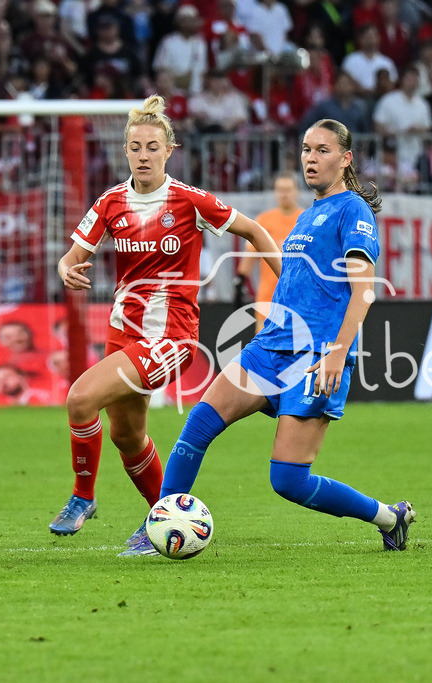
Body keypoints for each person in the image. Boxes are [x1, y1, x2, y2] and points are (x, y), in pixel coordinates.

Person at [119, 118, 416, 557]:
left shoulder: (352, 210)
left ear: (346, 158)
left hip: (315, 357)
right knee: (199, 423)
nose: (311, 159)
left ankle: (390, 517)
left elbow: (363, 292)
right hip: (270, 347)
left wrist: (337, 353)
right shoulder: (307, 214)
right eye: (306, 150)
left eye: (322, 151)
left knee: (288, 480)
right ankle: (156, 525)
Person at [48, 95, 281, 537]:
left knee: (79, 399)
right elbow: (72, 256)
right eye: (135, 147)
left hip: (171, 338)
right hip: (123, 333)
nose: (143, 156)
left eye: (152, 147)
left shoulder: (190, 201)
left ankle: (83, 497)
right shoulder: (112, 202)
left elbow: (253, 229)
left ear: (168, 151)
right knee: (127, 437)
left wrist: (288, 285)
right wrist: (66, 268)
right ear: (125, 152)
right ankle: (167, 516)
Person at [234, 172, 303, 331]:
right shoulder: (264, 220)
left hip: (299, 298)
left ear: (296, 191)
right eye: (280, 190)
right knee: (264, 350)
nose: (284, 194)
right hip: (268, 299)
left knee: (299, 351)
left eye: (288, 189)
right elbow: (250, 256)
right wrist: (240, 280)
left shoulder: (305, 219)